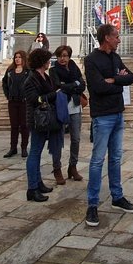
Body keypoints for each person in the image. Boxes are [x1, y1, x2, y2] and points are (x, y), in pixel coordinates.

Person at [82, 24, 133, 227]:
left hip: (118, 114)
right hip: (102, 116)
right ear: (106, 37)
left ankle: (117, 196)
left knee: (115, 158)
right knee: (97, 160)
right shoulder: (91, 60)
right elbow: (97, 87)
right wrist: (118, 83)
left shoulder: (115, 57)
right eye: (116, 36)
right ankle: (92, 204)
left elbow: (131, 77)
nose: (119, 40)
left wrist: (113, 80)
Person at [24, 48, 60, 202]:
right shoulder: (31, 79)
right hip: (37, 120)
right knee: (34, 152)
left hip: (46, 119)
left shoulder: (45, 76)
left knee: (37, 153)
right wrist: (52, 95)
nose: (49, 62)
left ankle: (38, 183)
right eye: (47, 59)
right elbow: (34, 99)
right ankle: (32, 189)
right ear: (42, 61)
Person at [50, 45, 86, 182]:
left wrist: (69, 85)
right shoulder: (53, 70)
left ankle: (73, 166)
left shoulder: (74, 68)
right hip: (61, 107)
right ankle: (57, 168)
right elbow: (58, 86)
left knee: (75, 138)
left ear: (69, 56)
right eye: (59, 56)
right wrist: (74, 84)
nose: (62, 58)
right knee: (58, 139)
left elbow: (82, 85)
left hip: (75, 106)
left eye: (65, 56)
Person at [1, 50, 30, 158]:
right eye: (16, 57)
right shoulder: (10, 70)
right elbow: (5, 83)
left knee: (24, 125)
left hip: (24, 101)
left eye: (19, 57)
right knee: (14, 125)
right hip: (13, 101)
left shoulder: (28, 71)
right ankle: (13, 148)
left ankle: (24, 148)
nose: (17, 59)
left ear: (23, 58)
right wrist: (8, 95)